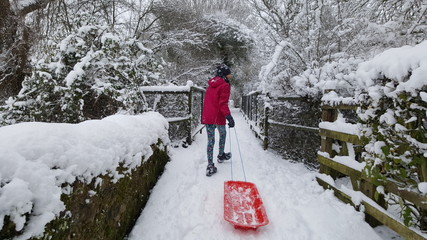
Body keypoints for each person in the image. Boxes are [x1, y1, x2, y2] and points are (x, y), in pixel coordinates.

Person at [201, 64, 235, 177]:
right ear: (224, 75)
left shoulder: (211, 85)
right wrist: (229, 116)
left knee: (211, 141)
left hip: (208, 115)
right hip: (218, 116)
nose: (230, 76)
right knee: (223, 134)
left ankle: (210, 165)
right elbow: (222, 103)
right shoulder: (224, 85)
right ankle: (220, 155)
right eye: (229, 74)